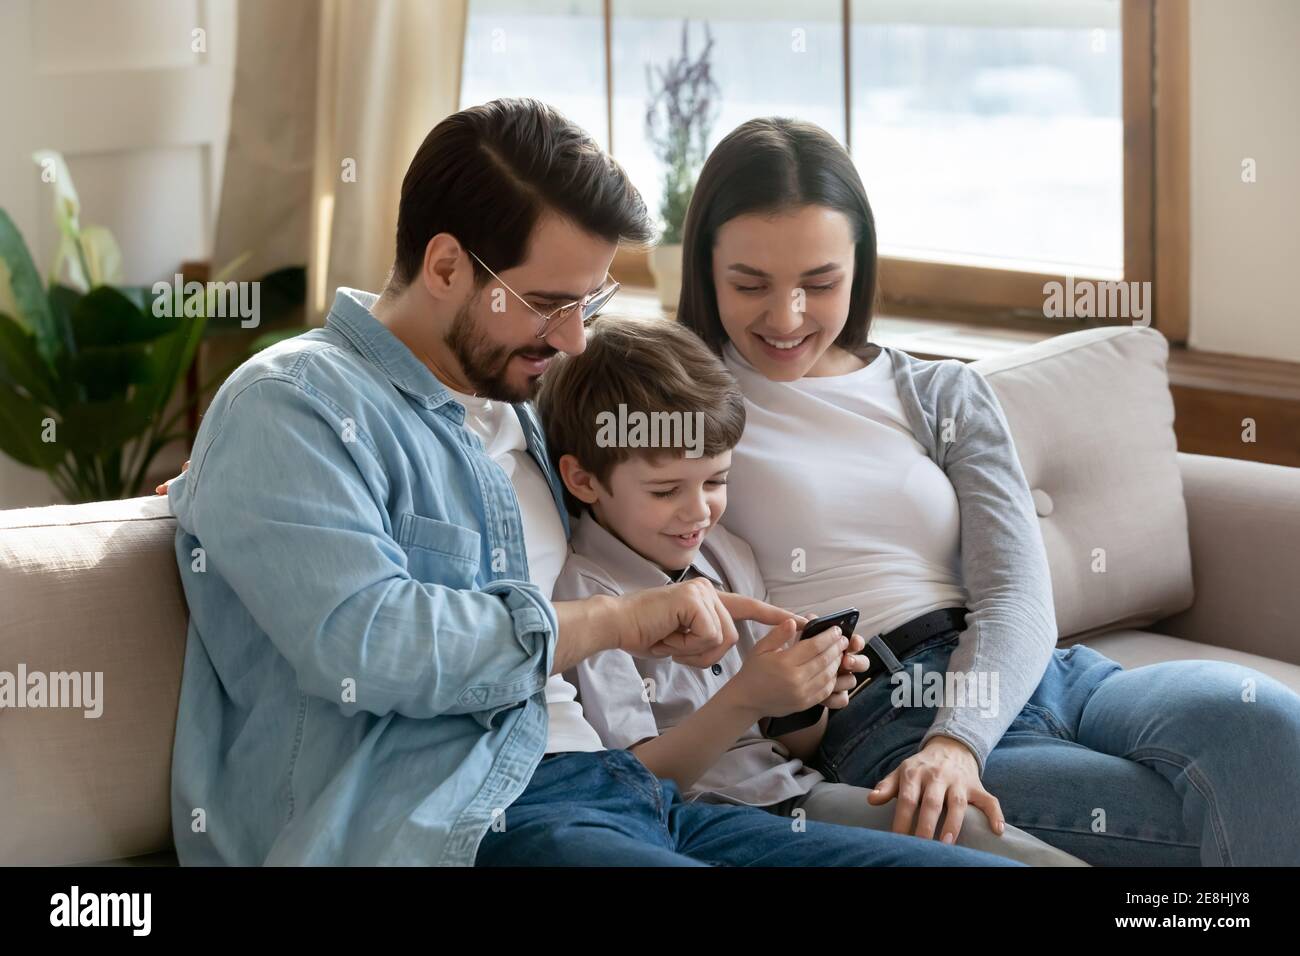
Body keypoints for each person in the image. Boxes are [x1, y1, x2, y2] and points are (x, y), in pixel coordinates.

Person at [163, 98, 1012, 866]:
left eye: (590, 302)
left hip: (639, 792)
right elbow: (374, 647)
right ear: (448, 265)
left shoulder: (527, 403)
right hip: (464, 819)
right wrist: (616, 620)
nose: (572, 340)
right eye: (546, 303)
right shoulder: (295, 408)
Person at [675, 115, 1300, 865]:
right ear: (705, 269)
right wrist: (936, 743)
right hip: (881, 715)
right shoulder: (681, 410)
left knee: (1265, 727)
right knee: (1192, 821)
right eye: (750, 285)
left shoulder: (940, 392)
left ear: (861, 263)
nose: (786, 317)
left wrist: (960, 739)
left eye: (819, 283)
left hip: (1042, 673)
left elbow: (1017, 591)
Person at [537, 314, 1085, 865]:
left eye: (715, 480)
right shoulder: (589, 600)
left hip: (796, 788)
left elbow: (794, 743)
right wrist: (746, 696)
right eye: (664, 490)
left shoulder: (725, 552)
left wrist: (809, 694)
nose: (698, 510)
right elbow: (639, 779)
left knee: (987, 836)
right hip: (721, 815)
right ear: (583, 479)